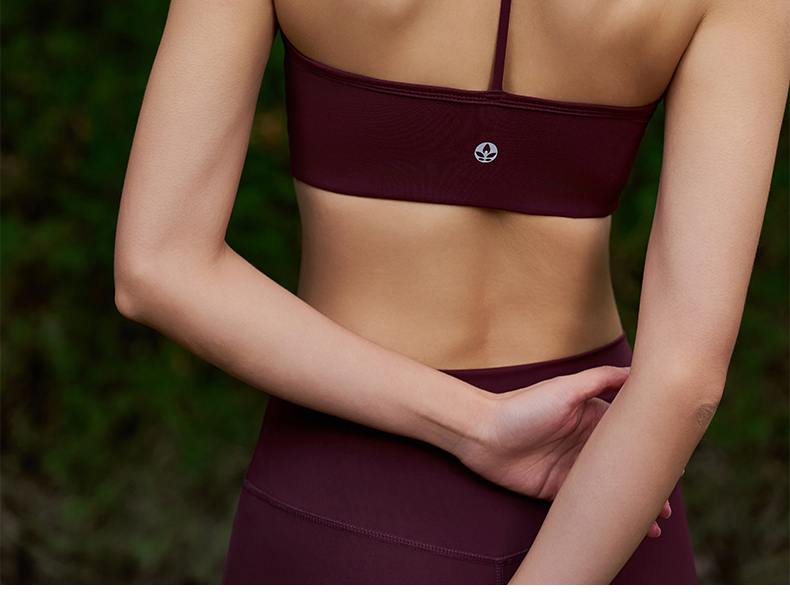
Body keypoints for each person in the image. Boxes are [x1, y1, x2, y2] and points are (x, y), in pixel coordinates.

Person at [113, 0, 789, 584]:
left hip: (348, 497)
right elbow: (685, 377)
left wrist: (477, 426)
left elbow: (160, 264)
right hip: (602, 495)